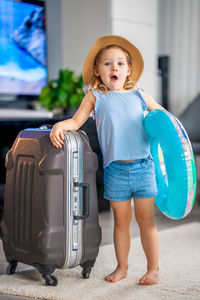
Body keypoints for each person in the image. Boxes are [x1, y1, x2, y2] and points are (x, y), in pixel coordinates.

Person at [50, 35, 164, 285]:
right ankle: (122, 267)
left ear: (129, 70)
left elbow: (164, 121)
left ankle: (153, 268)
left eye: (121, 63)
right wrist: (60, 125)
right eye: (108, 64)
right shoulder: (95, 96)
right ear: (97, 71)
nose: (115, 68)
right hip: (115, 171)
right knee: (121, 222)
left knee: (147, 221)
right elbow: (75, 121)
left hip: (144, 166)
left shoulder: (140, 95)